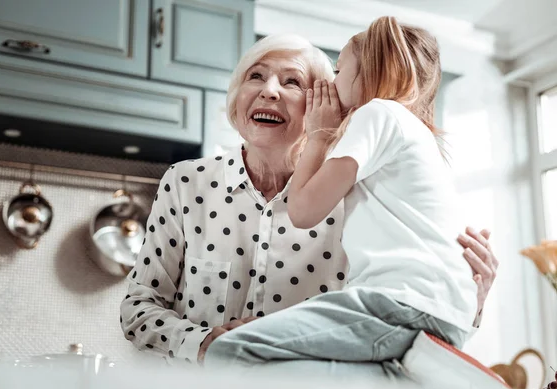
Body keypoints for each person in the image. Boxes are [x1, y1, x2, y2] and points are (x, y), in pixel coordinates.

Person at [120, 32, 499, 368]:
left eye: (292, 82)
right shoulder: (186, 182)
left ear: (326, 105)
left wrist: (472, 298)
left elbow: (396, 327)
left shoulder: (354, 197)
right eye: (256, 76)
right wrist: (203, 343)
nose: (269, 90)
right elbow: (137, 310)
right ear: (237, 100)